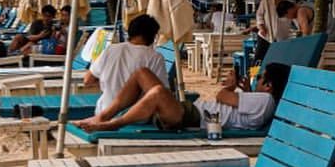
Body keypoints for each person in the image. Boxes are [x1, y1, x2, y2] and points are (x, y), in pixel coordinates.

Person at [74, 62, 289, 135]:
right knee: (142, 73)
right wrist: (246, 91)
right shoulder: (258, 99)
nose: (256, 78)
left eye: (260, 77)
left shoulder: (265, 101)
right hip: (189, 110)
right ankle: (103, 115)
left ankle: (114, 123)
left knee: (157, 93)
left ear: (269, 86)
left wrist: (232, 87)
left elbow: (221, 95)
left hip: (193, 118)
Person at [81, 14, 167, 117]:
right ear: (152, 35)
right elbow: (161, 93)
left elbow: (88, 80)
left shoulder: (110, 50)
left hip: (103, 112)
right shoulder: (154, 57)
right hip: (136, 118)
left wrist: (109, 84)